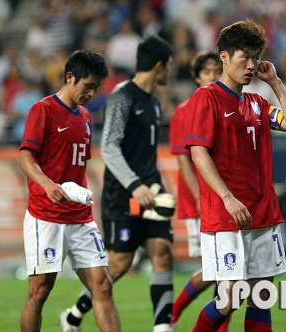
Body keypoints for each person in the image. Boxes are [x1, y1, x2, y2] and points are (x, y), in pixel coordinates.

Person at [184, 19, 286, 331]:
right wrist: (227, 198)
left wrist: (275, 83)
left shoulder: (258, 103)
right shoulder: (206, 97)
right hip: (227, 216)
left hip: (263, 212)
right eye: (244, 57)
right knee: (229, 299)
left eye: (255, 57)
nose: (251, 65)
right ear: (224, 57)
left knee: (261, 296)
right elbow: (199, 152)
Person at [61, 35, 176, 332]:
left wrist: (155, 185)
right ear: (161, 65)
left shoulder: (154, 102)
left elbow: (145, 152)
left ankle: (163, 328)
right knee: (119, 264)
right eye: (171, 66)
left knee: (162, 252)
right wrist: (135, 184)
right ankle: (74, 313)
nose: (172, 72)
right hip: (123, 194)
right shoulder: (123, 95)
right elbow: (109, 147)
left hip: (151, 191)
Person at [18, 49, 121, 332]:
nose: (91, 93)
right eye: (88, 86)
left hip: (80, 218)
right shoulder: (44, 109)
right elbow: (26, 157)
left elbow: (76, 168)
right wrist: (47, 184)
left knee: (103, 285)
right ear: (70, 77)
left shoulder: (86, 116)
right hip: (46, 215)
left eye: (96, 88)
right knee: (39, 292)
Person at [169, 50, 231, 331]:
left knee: (220, 273)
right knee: (218, 273)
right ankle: (175, 312)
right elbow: (185, 158)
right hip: (202, 203)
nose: (212, 76)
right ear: (196, 77)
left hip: (221, 200)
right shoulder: (185, 110)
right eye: (206, 71)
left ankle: (174, 312)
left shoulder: (225, 104)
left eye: (216, 70)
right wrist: (200, 198)